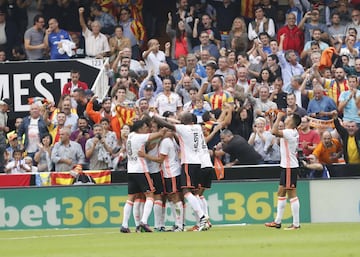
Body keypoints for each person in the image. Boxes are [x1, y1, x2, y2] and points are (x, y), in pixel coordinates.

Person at [120, 119, 166, 233]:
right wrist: (164, 127)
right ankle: (144, 222)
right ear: (140, 128)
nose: (147, 129)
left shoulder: (130, 136)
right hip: (141, 169)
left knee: (131, 198)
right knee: (150, 195)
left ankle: (124, 225)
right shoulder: (139, 137)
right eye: (145, 127)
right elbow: (158, 134)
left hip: (131, 170)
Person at [265, 111, 302, 230]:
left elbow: (274, 132)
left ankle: (296, 224)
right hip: (287, 166)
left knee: (292, 194)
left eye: (289, 117)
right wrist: (272, 120)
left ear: (292, 122)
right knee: (281, 192)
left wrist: (279, 117)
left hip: (289, 167)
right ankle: (277, 221)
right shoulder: (291, 132)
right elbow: (275, 132)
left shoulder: (290, 132)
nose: (286, 118)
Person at [0, 98, 10, 173]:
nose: (8, 109)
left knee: (2, 152)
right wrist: (3, 128)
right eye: (8, 107)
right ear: (4, 105)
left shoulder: (5, 114)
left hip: (2, 135)